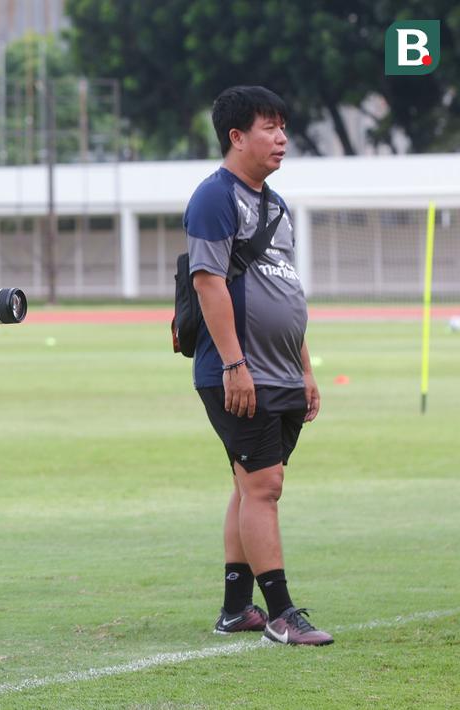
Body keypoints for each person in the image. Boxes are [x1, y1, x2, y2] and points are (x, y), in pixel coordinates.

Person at [185, 85, 332, 646]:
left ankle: (234, 609)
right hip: (240, 371)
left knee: (250, 485)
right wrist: (234, 364)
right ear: (237, 136)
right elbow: (208, 282)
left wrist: (306, 369)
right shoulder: (215, 197)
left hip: (281, 370)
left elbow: (286, 289)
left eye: (284, 128)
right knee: (265, 485)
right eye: (270, 128)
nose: (282, 138)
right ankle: (280, 611)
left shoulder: (274, 203)